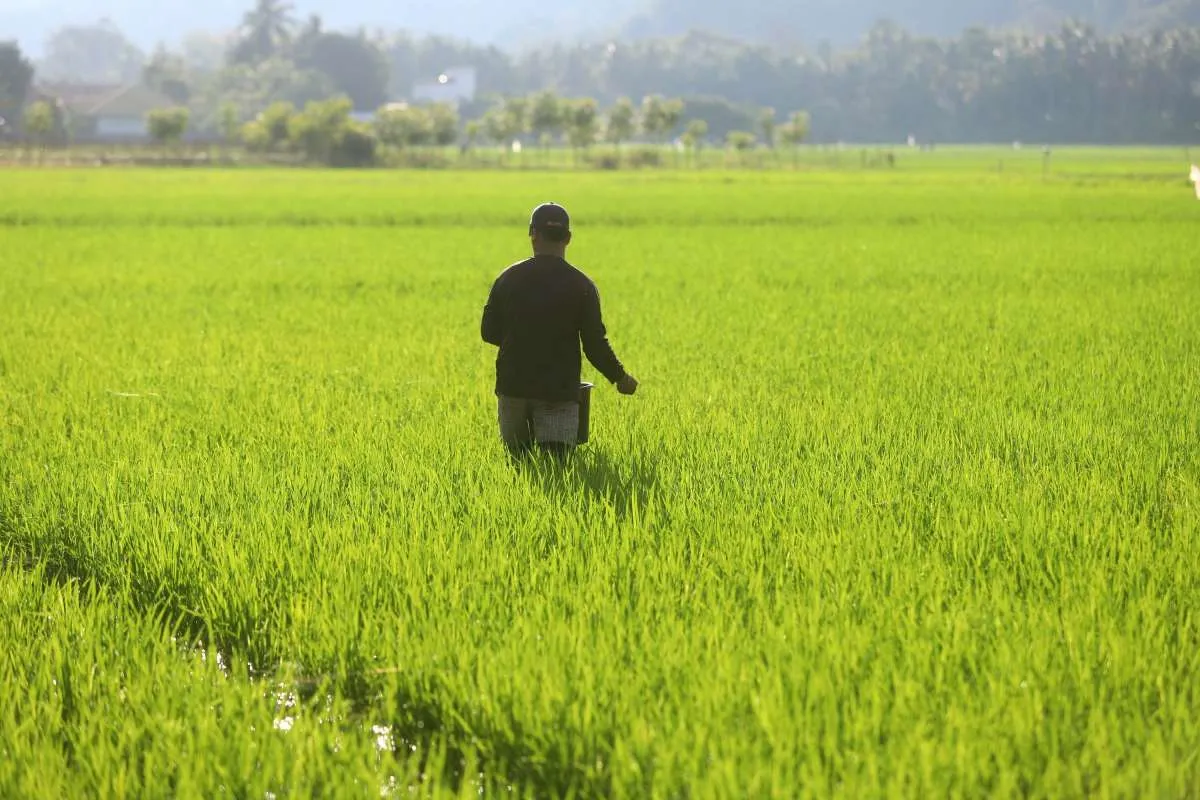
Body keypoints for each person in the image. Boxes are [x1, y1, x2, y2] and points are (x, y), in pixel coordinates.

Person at [481, 202, 638, 459]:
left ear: (533, 234)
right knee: (556, 468)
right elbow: (594, 345)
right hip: (559, 392)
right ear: (568, 238)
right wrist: (620, 378)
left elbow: (488, 331)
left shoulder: (507, 278)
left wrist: (523, 340)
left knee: (518, 467)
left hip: (513, 388)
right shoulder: (582, 285)